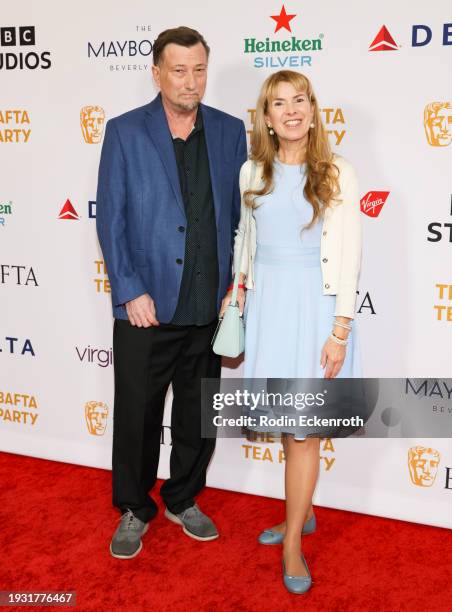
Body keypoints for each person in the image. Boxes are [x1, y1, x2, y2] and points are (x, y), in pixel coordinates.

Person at [96, 26, 247, 559]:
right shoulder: (124, 132)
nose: (191, 80)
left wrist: (236, 288)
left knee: (196, 415)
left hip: (209, 306)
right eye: (179, 69)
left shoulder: (231, 132)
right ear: (157, 72)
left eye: (199, 69)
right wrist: (129, 290)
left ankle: (184, 497)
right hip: (147, 309)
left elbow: (240, 221)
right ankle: (135, 508)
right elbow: (110, 220)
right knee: (136, 415)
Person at [221, 70, 362, 593]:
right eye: (278, 103)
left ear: (312, 106)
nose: (291, 111)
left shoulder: (337, 171)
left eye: (298, 100)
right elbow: (245, 241)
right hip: (269, 308)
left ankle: (293, 546)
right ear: (266, 116)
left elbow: (349, 254)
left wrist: (340, 330)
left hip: (316, 311)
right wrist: (237, 291)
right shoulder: (251, 171)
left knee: (303, 434)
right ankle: (299, 514)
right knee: (287, 425)